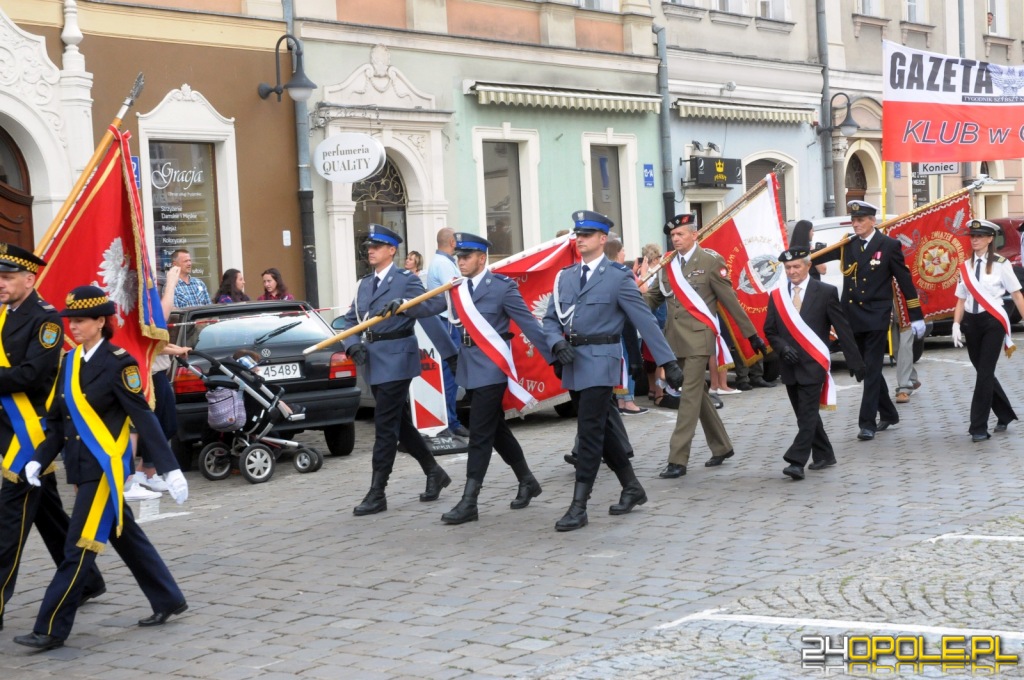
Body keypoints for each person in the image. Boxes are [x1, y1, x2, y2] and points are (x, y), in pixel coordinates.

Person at [14, 286, 189, 651]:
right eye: (70, 321)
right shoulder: (69, 362)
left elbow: (143, 415)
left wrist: (170, 468)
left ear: (100, 322)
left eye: (79, 321)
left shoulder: (119, 362)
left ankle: (50, 627)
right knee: (125, 534)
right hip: (80, 469)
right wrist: (38, 459)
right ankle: (169, 598)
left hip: (105, 471)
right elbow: (59, 423)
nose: (72, 327)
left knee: (78, 547)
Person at [542, 210, 683, 532]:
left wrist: (668, 361)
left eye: (587, 235)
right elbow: (551, 319)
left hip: (602, 361)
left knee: (590, 432)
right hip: (572, 362)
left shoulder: (618, 277)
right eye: (578, 235)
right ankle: (631, 487)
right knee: (602, 429)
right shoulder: (564, 276)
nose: (580, 240)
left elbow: (644, 321)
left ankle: (579, 506)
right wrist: (554, 343)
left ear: (602, 239)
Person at [0, 246, 106, 633]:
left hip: (32, 434)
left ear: (29, 280)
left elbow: (30, 375)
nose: (1, 284)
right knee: (46, 512)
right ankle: (88, 580)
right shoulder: (4, 316)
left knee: (9, 519)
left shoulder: (44, 321)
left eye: (8, 278)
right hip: (8, 430)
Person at [440, 233, 556, 524]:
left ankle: (470, 500)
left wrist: (555, 355)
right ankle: (527, 480)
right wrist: (402, 306)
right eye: (458, 257)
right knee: (496, 429)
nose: (461, 262)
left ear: (482, 258)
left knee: (480, 433)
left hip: (492, 367)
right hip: (469, 366)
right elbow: (429, 308)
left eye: (466, 257)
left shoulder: (502, 288)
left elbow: (529, 324)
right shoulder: (457, 289)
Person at [644, 213, 770, 479]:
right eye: (673, 235)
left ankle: (677, 458)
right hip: (674, 341)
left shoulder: (711, 263)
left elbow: (731, 301)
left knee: (688, 396)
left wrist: (751, 335)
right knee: (697, 395)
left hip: (700, 339)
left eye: (680, 234)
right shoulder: (668, 267)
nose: (675, 239)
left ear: (694, 235)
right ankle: (722, 446)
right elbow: (652, 300)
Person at [338, 224, 452, 515]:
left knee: (385, 426)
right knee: (399, 422)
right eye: (368, 248)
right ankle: (434, 471)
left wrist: (405, 305)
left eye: (377, 247)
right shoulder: (365, 283)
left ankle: (377, 492)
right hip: (373, 360)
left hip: (397, 357)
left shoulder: (405, 280)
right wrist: (352, 345)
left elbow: (436, 303)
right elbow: (352, 320)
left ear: (392, 250)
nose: (371, 251)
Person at [815, 200, 926, 441]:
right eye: (853, 220)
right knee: (865, 370)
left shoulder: (888, 245)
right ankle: (888, 413)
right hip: (851, 317)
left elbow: (904, 281)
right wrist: (799, 257)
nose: (856, 225)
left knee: (873, 368)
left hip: (876, 317)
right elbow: (816, 258)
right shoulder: (848, 245)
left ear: (872, 221)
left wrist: (915, 314)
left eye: (860, 220)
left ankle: (867, 422)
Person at [764, 248, 865, 480]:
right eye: (788, 268)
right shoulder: (777, 295)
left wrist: (855, 361)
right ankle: (825, 454)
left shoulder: (826, 292)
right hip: (789, 364)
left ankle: (796, 461)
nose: (792, 272)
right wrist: (783, 348)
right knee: (803, 414)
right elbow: (770, 330)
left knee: (808, 413)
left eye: (796, 266)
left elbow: (842, 328)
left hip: (814, 362)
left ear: (808, 266)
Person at [951, 219, 1024, 442]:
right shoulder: (965, 265)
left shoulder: (1002, 264)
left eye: (980, 236)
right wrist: (955, 323)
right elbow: (961, 299)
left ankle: (978, 427)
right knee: (983, 372)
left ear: (990, 239)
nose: (975, 240)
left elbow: (1016, 294)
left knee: (984, 374)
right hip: (971, 324)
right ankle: (1005, 413)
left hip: (993, 321)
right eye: (972, 236)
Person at [126, 264, 191, 500]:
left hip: (156, 373)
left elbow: (158, 341)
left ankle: (147, 473)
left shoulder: (142, 303)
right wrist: (172, 284)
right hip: (148, 375)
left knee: (163, 424)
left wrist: (177, 349)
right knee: (147, 427)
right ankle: (136, 475)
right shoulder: (136, 305)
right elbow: (159, 323)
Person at [425, 228, 468, 437]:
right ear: (452, 241)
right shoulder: (443, 264)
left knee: (450, 375)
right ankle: (450, 422)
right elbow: (455, 292)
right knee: (450, 375)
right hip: (448, 323)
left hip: (447, 322)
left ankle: (450, 420)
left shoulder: (442, 262)